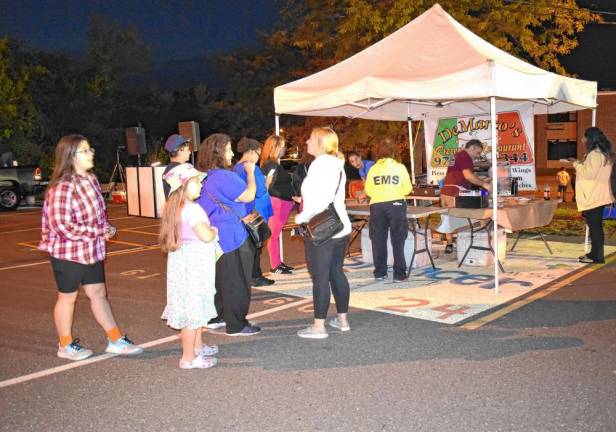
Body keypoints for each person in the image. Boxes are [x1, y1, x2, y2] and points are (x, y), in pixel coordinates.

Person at [39, 134, 143, 361]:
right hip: (67, 252)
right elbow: (61, 226)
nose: (91, 153)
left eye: (90, 149)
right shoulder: (62, 188)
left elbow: (99, 213)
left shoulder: (92, 179)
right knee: (68, 297)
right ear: (70, 156)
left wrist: (106, 226)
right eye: (84, 151)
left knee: (98, 294)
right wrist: (97, 231)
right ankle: (65, 345)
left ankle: (115, 339)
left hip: (91, 250)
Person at [197, 133, 261, 336]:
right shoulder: (225, 176)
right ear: (218, 152)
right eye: (228, 149)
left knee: (222, 279)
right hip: (234, 235)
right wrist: (250, 173)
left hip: (216, 236)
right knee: (237, 281)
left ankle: (218, 316)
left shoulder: (208, 177)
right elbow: (249, 195)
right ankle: (237, 324)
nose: (232, 153)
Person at [159, 163, 219, 369]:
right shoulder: (193, 210)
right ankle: (188, 357)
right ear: (184, 186)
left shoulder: (175, 208)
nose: (201, 186)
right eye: (196, 182)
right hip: (195, 268)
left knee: (192, 310)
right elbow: (204, 235)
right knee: (192, 315)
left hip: (182, 267)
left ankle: (197, 348)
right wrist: (213, 231)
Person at [295, 127, 352, 339]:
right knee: (336, 272)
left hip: (322, 230)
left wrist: (300, 217)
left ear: (320, 142)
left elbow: (317, 201)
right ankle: (343, 320)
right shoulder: (337, 165)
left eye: (310, 138)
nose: (307, 141)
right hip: (340, 226)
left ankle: (319, 326)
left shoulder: (319, 165)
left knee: (320, 277)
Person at [364, 138, 412, 282]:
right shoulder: (400, 167)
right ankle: (399, 274)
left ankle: (380, 273)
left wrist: (380, 195)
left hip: (377, 206)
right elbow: (408, 189)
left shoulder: (373, 169)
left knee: (378, 239)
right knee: (398, 239)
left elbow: (368, 190)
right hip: (396, 204)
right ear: (395, 151)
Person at [233, 137, 275, 287]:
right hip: (256, 210)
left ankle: (247, 275)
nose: (258, 157)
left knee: (247, 246)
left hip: (242, 211)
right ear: (250, 152)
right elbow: (260, 191)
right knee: (257, 244)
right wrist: (267, 183)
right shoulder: (252, 168)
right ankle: (255, 276)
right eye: (257, 153)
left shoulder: (236, 168)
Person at [570, 127, 615, 264]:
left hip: (594, 196)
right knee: (596, 226)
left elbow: (589, 174)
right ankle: (594, 254)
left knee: (595, 227)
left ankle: (597, 256)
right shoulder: (603, 153)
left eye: (585, 137)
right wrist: (582, 163)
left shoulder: (594, 154)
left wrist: (576, 163)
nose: (583, 140)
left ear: (591, 138)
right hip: (599, 195)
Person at [440, 139, 492, 253]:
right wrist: (484, 184)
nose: (477, 156)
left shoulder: (455, 155)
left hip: (446, 191)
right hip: (456, 192)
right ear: (472, 147)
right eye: (477, 153)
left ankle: (449, 244)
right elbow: (468, 176)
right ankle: (483, 240)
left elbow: (458, 174)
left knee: (448, 218)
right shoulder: (465, 157)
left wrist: (480, 179)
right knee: (478, 213)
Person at [260, 135, 297, 274]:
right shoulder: (272, 165)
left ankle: (278, 263)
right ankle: (275, 265)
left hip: (281, 203)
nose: (284, 149)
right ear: (275, 147)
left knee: (275, 235)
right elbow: (267, 186)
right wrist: (288, 196)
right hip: (278, 203)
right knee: (273, 235)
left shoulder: (272, 164)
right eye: (282, 146)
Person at [162, 134, 192, 199]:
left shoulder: (168, 170)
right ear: (180, 150)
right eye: (187, 150)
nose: (189, 152)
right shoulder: (182, 170)